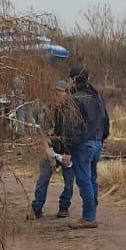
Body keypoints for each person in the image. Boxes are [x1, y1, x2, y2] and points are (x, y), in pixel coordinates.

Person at [66, 66, 110, 229]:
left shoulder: (75, 98)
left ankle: (89, 217)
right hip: (97, 141)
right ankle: (91, 213)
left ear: (73, 80)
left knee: (84, 179)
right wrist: (102, 137)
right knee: (91, 178)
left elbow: (72, 125)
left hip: (83, 144)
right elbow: (106, 118)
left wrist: (68, 145)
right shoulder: (97, 95)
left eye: (69, 79)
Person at [30, 85, 76, 219]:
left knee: (69, 182)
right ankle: (37, 208)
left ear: (65, 94)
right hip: (52, 149)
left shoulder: (72, 112)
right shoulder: (47, 111)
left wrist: (70, 153)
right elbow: (43, 133)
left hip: (68, 150)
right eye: (54, 93)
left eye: (60, 92)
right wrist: (47, 150)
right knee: (43, 178)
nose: (57, 96)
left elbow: (75, 134)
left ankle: (64, 207)